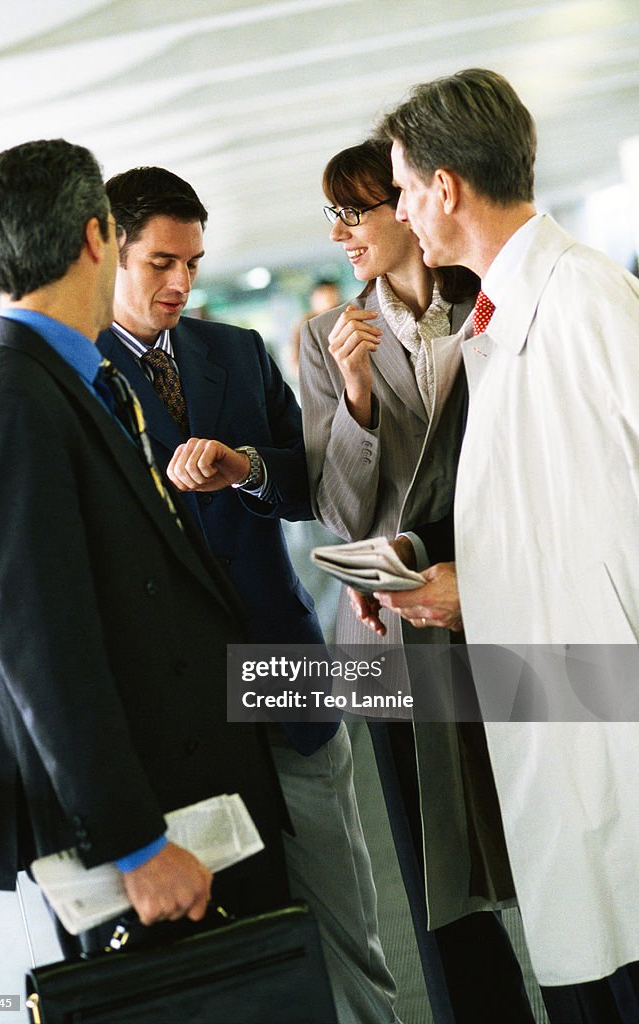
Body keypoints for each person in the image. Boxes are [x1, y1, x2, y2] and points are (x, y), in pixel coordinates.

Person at [0, 139, 292, 959]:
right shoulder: (12, 403)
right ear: (99, 237)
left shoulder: (66, 382)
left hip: (193, 797)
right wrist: (135, 844)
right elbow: (40, 649)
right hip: (153, 839)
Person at [96, 165, 400, 1024]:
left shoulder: (232, 351)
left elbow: (312, 488)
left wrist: (246, 468)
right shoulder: (77, 385)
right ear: (109, 254)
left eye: (193, 262)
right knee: (242, 953)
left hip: (285, 668)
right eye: (160, 263)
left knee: (353, 927)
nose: (181, 283)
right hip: (180, 712)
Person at [376, 68, 639, 1023]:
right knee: (590, 960)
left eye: (404, 188)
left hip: (605, 703)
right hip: (558, 698)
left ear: (447, 187)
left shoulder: (588, 297)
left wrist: (475, 589)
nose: (401, 210)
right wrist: (456, 578)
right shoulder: (502, 314)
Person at [299, 139, 541, 1024]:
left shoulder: (489, 295)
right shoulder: (327, 342)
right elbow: (335, 504)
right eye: (332, 218)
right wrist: (355, 396)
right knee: (437, 868)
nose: (341, 236)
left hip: (500, 583)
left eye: (353, 213)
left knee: (540, 822)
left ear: (404, 209)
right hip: (393, 621)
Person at [287, 279, 342, 377]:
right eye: (322, 295)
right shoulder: (303, 326)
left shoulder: (345, 317)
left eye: (331, 295)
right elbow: (294, 363)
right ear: (313, 298)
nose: (327, 300)